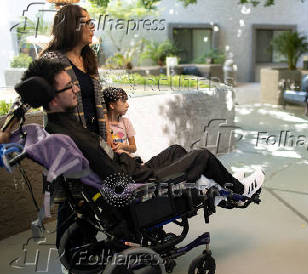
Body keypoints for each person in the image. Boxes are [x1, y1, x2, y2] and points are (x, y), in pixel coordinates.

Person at [11, 58, 265, 199]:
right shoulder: (73, 134)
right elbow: (116, 178)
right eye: (70, 86)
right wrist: (130, 164)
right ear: (53, 98)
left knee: (176, 149)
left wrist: (120, 155)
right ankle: (238, 190)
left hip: (133, 170)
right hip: (138, 181)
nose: (77, 88)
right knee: (202, 155)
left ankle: (222, 181)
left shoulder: (60, 126)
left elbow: (103, 162)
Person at [40, 4, 111, 146]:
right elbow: (28, 92)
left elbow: (100, 99)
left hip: (96, 140)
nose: (93, 27)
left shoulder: (89, 57)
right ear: (71, 27)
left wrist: (108, 134)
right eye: (87, 23)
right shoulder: (51, 60)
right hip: (69, 143)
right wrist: (6, 130)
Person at [103, 87, 136, 155]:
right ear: (112, 105)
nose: (127, 105)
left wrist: (123, 146)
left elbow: (134, 148)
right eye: (123, 101)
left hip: (127, 160)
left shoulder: (126, 122)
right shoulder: (103, 125)